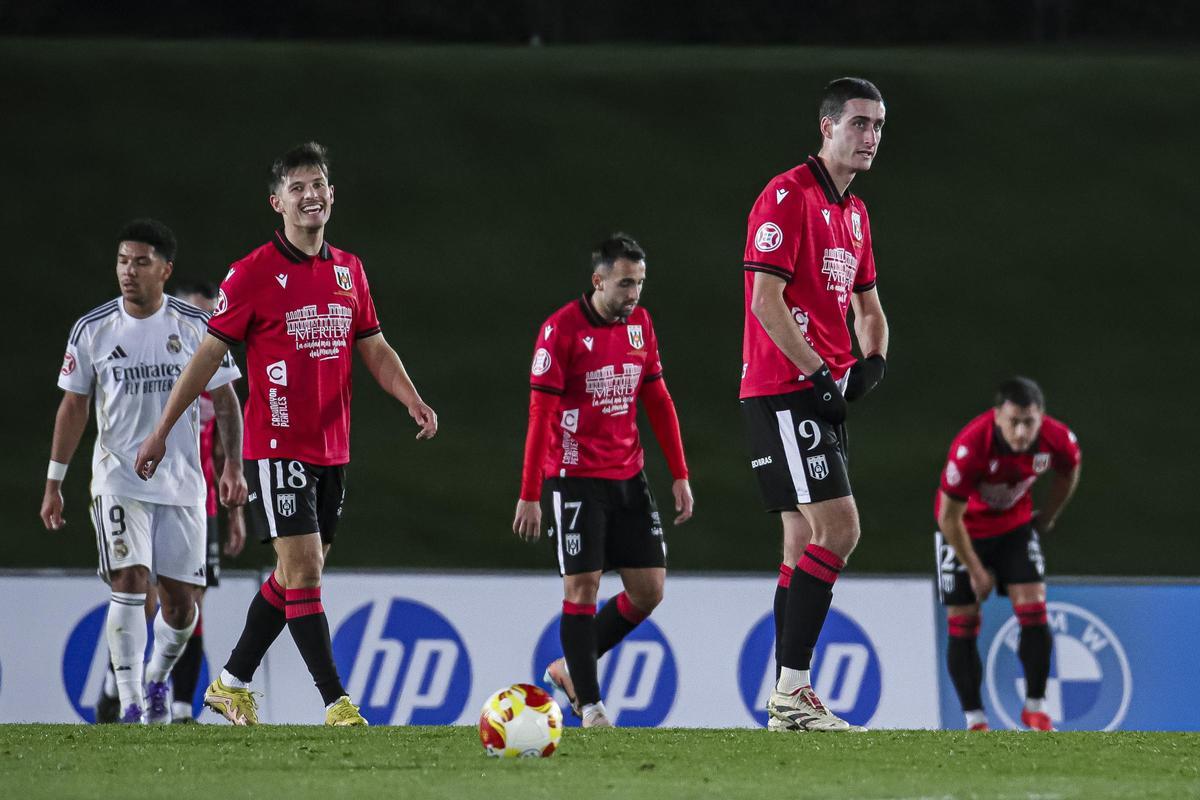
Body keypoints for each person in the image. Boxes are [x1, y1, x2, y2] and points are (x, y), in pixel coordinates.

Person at [134, 142, 438, 727]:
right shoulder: (250, 275)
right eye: (297, 187)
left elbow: (372, 346)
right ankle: (336, 702)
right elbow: (206, 357)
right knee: (307, 575)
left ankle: (229, 684)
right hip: (278, 446)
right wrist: (161, 430)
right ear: (277, 203)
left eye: (318, 183)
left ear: (331, 195)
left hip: (332, 447)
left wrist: (412, 398)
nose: (310, 195)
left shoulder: (349, 270)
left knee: (293, 576)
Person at [40, 219, 245, 724]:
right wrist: (54, 481)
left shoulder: (195, 326)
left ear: (165, 269)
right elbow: (74, 407)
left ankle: (156, 679)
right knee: (130, 580)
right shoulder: (93, 329)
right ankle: (131, 698)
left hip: (182, 486)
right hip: (118, 479)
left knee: (181, 608)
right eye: (122, 261)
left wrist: (234, 468)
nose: (128, 272)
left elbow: (226, 402)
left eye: (140, 262)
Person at [740, 77, 890, 732]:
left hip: (816, 391)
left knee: (802, 542)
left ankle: (784, 699)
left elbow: (869, 307)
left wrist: (872, 362)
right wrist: (820, 375)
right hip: (784, 389)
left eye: (879, 126)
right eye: (859, 123)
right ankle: (793, 693)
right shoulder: (786, 196)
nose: (871, 137)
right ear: (826, 126)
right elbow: (764, 302)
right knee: (842, 530)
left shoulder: (854, 214)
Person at [513, 233, 694, 728]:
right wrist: (531, 493)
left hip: (628, 477)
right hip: (574, 481)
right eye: (624, 283)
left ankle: (571, 667)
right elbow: (540, 416)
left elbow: (657, 400)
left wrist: (679, 473)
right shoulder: (561, 332)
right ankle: (590, 705)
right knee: (583, 587)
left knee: (649, 590)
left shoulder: (641, 326)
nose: (633, 294)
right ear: (598, 281)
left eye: (639, 283)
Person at [935, 377, 1081, 732]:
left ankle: (1036, 708)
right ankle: (975, 719)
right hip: (964, 532)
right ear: (998, 416)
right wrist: (976, 570)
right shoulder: (971, 447)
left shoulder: (1057, 439)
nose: (1021, 432)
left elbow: (1069, 469)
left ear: (1041, 418)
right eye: (1013, 421)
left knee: (1034, 607)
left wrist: (1048, 516)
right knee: (963, 619)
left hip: (1014, 528)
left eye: (1029, 422)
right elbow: (947, 517)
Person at [167, 280, 248, 723]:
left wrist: (235, 512)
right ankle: (123, 688)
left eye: (208, 314)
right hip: (150, 499)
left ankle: (180, 705)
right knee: (141, 595)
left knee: (191, 606)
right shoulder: (159, 375)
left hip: (201, 506)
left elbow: (221, 452)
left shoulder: (214, 383)